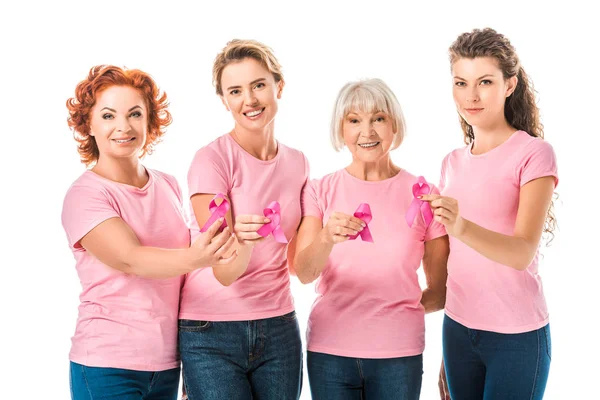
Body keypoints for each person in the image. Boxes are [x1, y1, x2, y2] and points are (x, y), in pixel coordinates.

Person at [62, 65, 236, 400]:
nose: (123, 127)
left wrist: (195, 360)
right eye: (109, 115)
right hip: (106, 365)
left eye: (135, 114)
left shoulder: (168, 184)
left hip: (166, 366)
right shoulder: (86, 194)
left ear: (150, 121)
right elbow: (131, 259)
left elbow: (185, 282)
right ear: (89, 124)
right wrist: (199, 255)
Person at [421, 28, 558, 400]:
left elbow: (521, 252)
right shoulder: (451, 162)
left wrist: (461, 225)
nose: (472, 95)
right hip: (459, 331)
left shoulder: (534, 154)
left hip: (516, 336)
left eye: (485, 81)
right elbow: (451, 259)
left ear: (510, 85)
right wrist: (445, 358)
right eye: (461, 83)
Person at [294, 78, 449, 400]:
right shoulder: (320, 189)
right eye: (354, 121)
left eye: (378, 118)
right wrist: (326, 237)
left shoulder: (425, 195)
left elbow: (441, 290)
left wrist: (394, 310)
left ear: (395, 126)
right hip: (329, 351)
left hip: (399, 353)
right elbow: (305, 272)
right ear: (341, 130)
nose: (367, 132)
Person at [178, 40, 308, 399]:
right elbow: (223, 271)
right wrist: (247, 243)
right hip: (211, 330)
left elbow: (297, 262)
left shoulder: (298, 162)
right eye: (235, 91)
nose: (249, 100)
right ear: (224, 100)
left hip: (280, 325)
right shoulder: (211, 161)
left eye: (258, 85)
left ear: (279, 86)